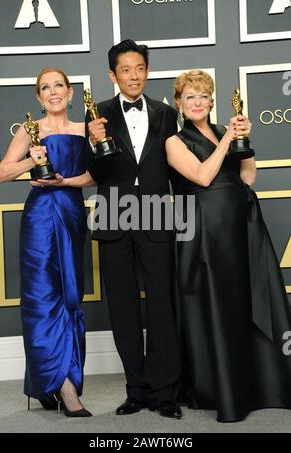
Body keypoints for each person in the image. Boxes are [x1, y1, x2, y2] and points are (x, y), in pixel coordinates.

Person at [166, 69, 291, 422]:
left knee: (248, 300)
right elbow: (203, 177)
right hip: (205, 231)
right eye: (190, 96)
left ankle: (260, 385)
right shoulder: (175, 141)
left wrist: (244, 141)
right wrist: (226, 142)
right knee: (217, 306)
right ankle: (221, 389)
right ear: (179, 103)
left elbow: (247, 176)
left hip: (241, 224)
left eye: (203, 96)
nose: (198, 102)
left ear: (211, 100)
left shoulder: (224, 131)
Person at [86, 39, 182, 419]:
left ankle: (164, 392)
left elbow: (179, 162)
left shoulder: (165, 112)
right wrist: (93, 142)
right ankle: (135, 389)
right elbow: (93, 172)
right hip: (113, 215)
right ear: (113, 75)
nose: (134, 76)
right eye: (125, 69)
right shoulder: (99, 114)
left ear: (147, 71)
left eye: (139, 68)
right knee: (123, 306)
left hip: (157, 213)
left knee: (161, 302)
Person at [0, 67, 94, 417]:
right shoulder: (30, 129)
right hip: (39, 218)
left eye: (58, 86)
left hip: (70, 213)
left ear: (70, 93)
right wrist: (30, 161)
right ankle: (62, 389)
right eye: (45, 88)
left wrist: (63, 182)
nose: (53, 92)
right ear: (39, 97)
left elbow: (95, 175)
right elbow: (2, 171)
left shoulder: (85, 130)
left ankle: (58, 378)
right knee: (42, 298)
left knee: (70, 295)